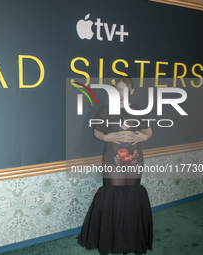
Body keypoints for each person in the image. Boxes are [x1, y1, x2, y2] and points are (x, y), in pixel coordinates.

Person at [77, 76, 153, 255]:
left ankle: (131, 240)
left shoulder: (139, 110)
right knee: (114, 194)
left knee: (132, 195)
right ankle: (112, 240)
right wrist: (106, 137)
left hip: (135, 159)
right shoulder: (105, 111)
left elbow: (149, 131)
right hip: (113, 159)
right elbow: (96, 131)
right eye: (117, 89)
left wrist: (144, 137)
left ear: (132, 92)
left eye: (125, 90)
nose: (121, 93)